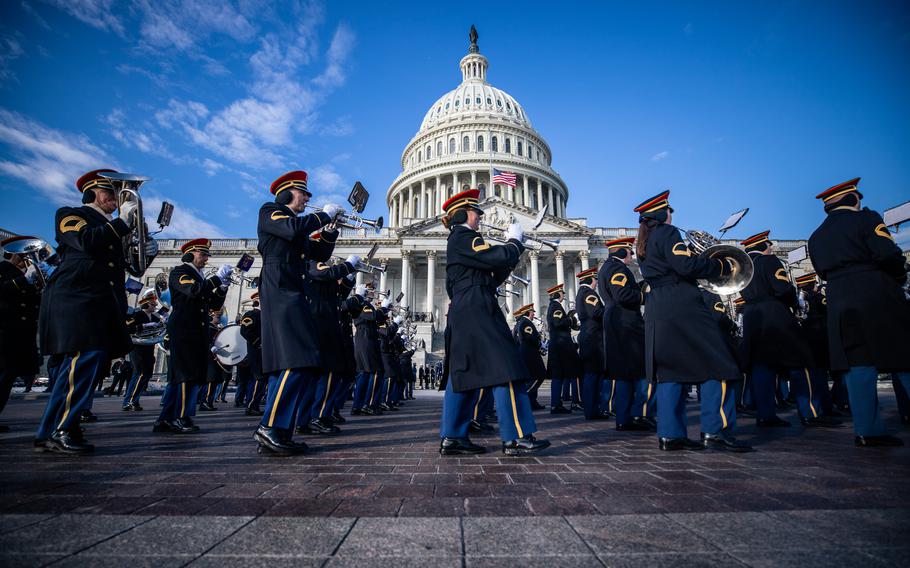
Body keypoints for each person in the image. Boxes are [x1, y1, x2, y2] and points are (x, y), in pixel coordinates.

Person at [35, 169, 150, 453]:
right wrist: (123, 222)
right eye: (109, 193)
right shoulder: (72, 214)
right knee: (81, 363)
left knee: (75, 370)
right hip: (77, 299)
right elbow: (85, 241)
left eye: (117, 193)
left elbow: (133, 267)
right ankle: (63, 428)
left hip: (98, 303)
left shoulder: (111, 227)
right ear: (91, 194)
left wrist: (147, 249)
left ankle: (52, 430)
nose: (115, 199)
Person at [634, 190, 751, 452]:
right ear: (665, 213)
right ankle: (716, 431)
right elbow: (686, 268)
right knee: (721, 366)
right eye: (670, 210)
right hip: (682, 306)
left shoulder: (643, 242)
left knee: (669, 373)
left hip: (657, 309)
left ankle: (670, 434)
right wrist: (720, 266)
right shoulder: (668, 233)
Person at [438, 189, 549, 456]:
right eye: (477, 212)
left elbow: (491, 275)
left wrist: (515, 248)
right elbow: (494, 258)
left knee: (463, 372)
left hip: (467, 307)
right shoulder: (465, 236)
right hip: (478, 307)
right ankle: (517, 436)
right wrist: (512, 242)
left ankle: (453, 436)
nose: (481, 216)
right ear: (465, 213)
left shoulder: (459, 243)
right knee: (507, 368)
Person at [808, 178, 909, 447]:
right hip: (875, 291)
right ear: (853, 199)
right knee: (903, 356)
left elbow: (820, 271)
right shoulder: (866, 219)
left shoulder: (816, 237)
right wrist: (898, 277)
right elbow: (888, 254)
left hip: (839, 299)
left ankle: (867, 430)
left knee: (858, 364)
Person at [254, 170, 341, 455]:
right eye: (303, 193)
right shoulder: (271, 211)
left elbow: (319, 254)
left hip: (293, 291)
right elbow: (293, 229)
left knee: (303, 361)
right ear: (287, 193)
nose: (307, 198)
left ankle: (278, 429)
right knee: (297, 360)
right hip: (280, 290)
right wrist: (323, 217)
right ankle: (270, 427)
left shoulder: (296, 224)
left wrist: (330, 231)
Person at [739, 231, 840, 429]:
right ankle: (810, 412)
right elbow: (782, 288)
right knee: (803, 361)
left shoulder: (742, 267)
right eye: (769, 246)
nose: (771, 249)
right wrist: (794, 304)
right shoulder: (769, 262)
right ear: (764, 247)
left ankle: (765, 414)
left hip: (752, 317)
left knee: (762, 367)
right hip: (775, 314)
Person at [153, 239, 228, 434]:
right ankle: (181, 416)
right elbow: (193, 292)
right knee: (187, 375)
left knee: (182, 376)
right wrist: (216, 279)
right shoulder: (181, 272)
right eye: (203, 255)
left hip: (195, 331)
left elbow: (213, 304)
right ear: (190, 254)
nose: (206, 260)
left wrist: (222, 288)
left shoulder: (199, 277)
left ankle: (166, 418)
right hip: (185, 330)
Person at [295, 241, 357, 435]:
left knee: (320, 379)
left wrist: (349, 278)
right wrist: (347, 265)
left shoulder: (323, 271)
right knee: (327, 376)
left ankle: (308, 418)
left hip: (326, 328)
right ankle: (317, 417)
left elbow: (338, 295)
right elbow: (325, 274)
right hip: (323, 329)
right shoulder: (314, 265)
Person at [597, 237, 654, 431]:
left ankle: (624, 418)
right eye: (629, 251)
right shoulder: (618, 269)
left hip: (615, 322)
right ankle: (639, 413)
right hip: (626, 324)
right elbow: (622, 295)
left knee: (623, 375)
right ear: (622, 252)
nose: (631, 255)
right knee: (640, 371)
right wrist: (646, 297)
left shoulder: (605, 268)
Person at [0, 236, 42, 431]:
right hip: (5, 329)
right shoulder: (3, 269)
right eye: (23, 254)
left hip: (22, 333)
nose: (26, 258)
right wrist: (23, 280)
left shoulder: (30, 275)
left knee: (8, 376)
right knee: (3, 374)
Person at [122, 289, 162, 411]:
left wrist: (162, 324)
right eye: (152, 304)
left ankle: (135, 400)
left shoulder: (155, 317)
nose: (155, 306)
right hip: (137, 347)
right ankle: (128, 401)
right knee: (139, 373)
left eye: (155, 304)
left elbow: (159, 330)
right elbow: (127, 328)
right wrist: (142, 326)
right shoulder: (137, 314)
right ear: (145, 304)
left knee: (147, 374)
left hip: (149, 347)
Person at [575, 267, 607, 420]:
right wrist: (610, 311)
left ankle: (592, 408)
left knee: (592, 375)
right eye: (595, 280)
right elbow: (596, 312)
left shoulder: (581, 293)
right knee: (593, 375)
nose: (596, 283)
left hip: (588, 337)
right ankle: (592, 409)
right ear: (590, 280)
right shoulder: (588, 293)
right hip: (593, 338)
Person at [544, 284, 578, 414]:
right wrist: (570, 319)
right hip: (561, 346)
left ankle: (555, 404)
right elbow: (558, 323)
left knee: (558, 376)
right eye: (562, 293)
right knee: (561, 375)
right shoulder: (556, 306)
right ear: (558, 294)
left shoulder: (553, 306)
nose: (563, 295)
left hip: (557, 345)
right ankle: (557, 404)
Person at [351, 284, 384, 415]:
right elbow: (372, 317)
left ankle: (358, 405)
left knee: (363, 374)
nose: (373, 292)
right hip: (367, 341)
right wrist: (384, 308)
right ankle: (368, 404)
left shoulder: (364, 305)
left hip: (363, 341)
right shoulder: (364, 304)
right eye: (371, 290)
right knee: (376, 372)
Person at [512, 304, 548, 411]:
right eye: (532, 312)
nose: (534, 314)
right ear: (528, 312)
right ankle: (525, 396)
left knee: (533, 377)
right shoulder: (526, 322)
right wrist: (540, 344)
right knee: (539, 376)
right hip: (530, 354)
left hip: (527, 354)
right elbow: (529, 338)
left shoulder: (522, 323)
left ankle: (532, 402)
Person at [238, 292, 266, 416]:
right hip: (256, 351)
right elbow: (244, 331)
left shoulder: (265, 315)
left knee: (261, 379)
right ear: (258, 301)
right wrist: (258, 342)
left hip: (263, 352)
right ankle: (251, 406)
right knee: (258, 378)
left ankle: (253, 404)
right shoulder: (251, 314)